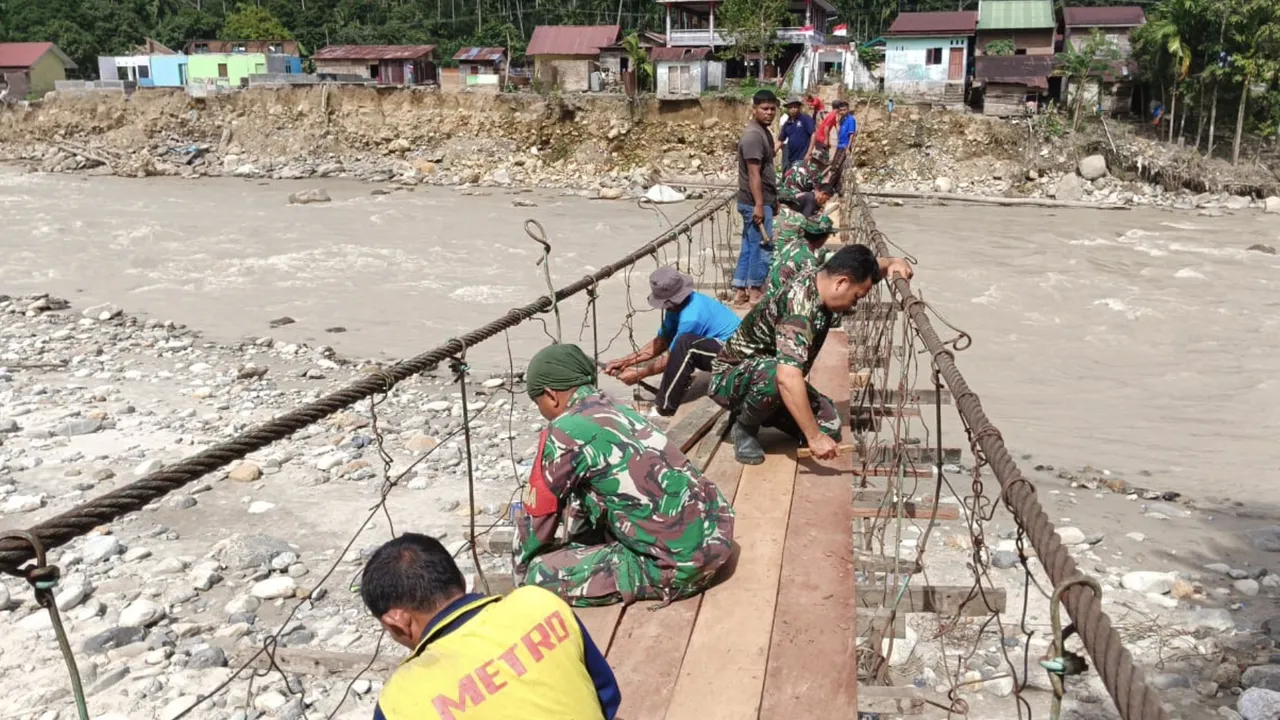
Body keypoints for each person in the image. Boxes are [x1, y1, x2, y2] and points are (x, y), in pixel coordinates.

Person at [516, 343, 736, 607]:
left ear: (551, 396)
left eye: (538, 402)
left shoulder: (563, 432)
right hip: (718, 537)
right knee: (583, 493)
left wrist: (525, 572)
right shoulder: (618, 409)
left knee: (537, 576)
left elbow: (537, 517)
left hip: (680, 568)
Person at [363, 533, 621, 720]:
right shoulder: (538, 603)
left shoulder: (399, 701)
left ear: (397, 621)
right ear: (461, 581)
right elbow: (607, 695)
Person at [709, 245, 914, 465]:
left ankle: (759, 409)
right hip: (731, 378)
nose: (853, 304)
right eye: (855, 297)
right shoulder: (799, 312)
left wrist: (891, 262)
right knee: (776, 377)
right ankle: (745, 426)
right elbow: (787, 377)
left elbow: (859, 266)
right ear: (841, 283)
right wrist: (814, 438)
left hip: (767, 376)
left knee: (830, 427)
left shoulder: (821, 272)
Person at [603, 267, 741, 417]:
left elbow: (672, 357)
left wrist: (639, 374)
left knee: (685, 346)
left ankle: (665, 406)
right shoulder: (676, 308)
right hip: (713, 348)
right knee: (683, 345)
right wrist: (625, 362)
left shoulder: (691, 317)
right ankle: (676, 387)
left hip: (736, 355)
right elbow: (661, 342)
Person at [733, 89, 780, 307]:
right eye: (764, 108)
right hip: (754, 202)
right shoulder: (753, 136)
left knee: (749, 245)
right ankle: (755, 293)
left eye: (772, 109)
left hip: (758, 200)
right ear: (754, 109)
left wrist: (773, 199)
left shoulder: (762, 131)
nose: (769, 113)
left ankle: (740, 290)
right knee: (763, 246)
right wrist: (760, 205)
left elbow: (765, 171)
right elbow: (754, 174)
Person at [764, 214, 836, 297]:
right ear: (821, 239)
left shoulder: (793, 244)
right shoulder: (808, 261)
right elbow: (813, 291)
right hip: (779, 299)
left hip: (770, 293)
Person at [775, 95, 815, 172]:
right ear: (788, 109)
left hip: (802, 157)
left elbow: (813, 134)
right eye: (790, 107)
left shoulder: (805, 119)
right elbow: (780, 141)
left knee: (799, 180)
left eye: (795, 107)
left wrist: (809, 153)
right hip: (791, 157)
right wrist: (771, 154)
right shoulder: (787, 124)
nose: (793, 109)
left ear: (799, 107)